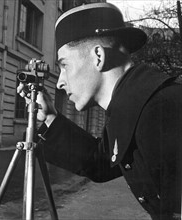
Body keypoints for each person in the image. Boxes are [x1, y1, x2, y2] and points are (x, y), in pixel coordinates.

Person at [17, 3, 182, 220]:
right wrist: (49, 116)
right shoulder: (134, 105)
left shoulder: (164, 108)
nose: (59, 83)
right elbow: (100, 163)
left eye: (64, 66)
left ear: (98, 57)